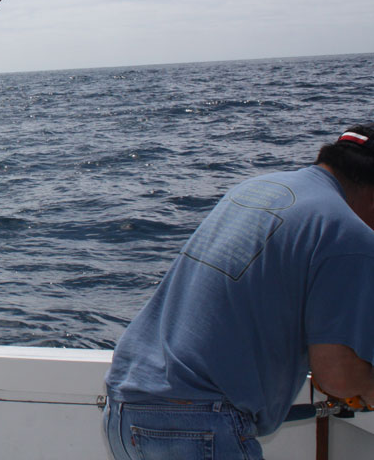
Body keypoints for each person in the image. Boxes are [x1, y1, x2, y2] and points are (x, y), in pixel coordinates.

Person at [103, 123, 374, 459]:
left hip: (126, 409)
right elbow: (337, 375)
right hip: (198, 423)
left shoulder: (259, 188)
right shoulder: (348, 232)